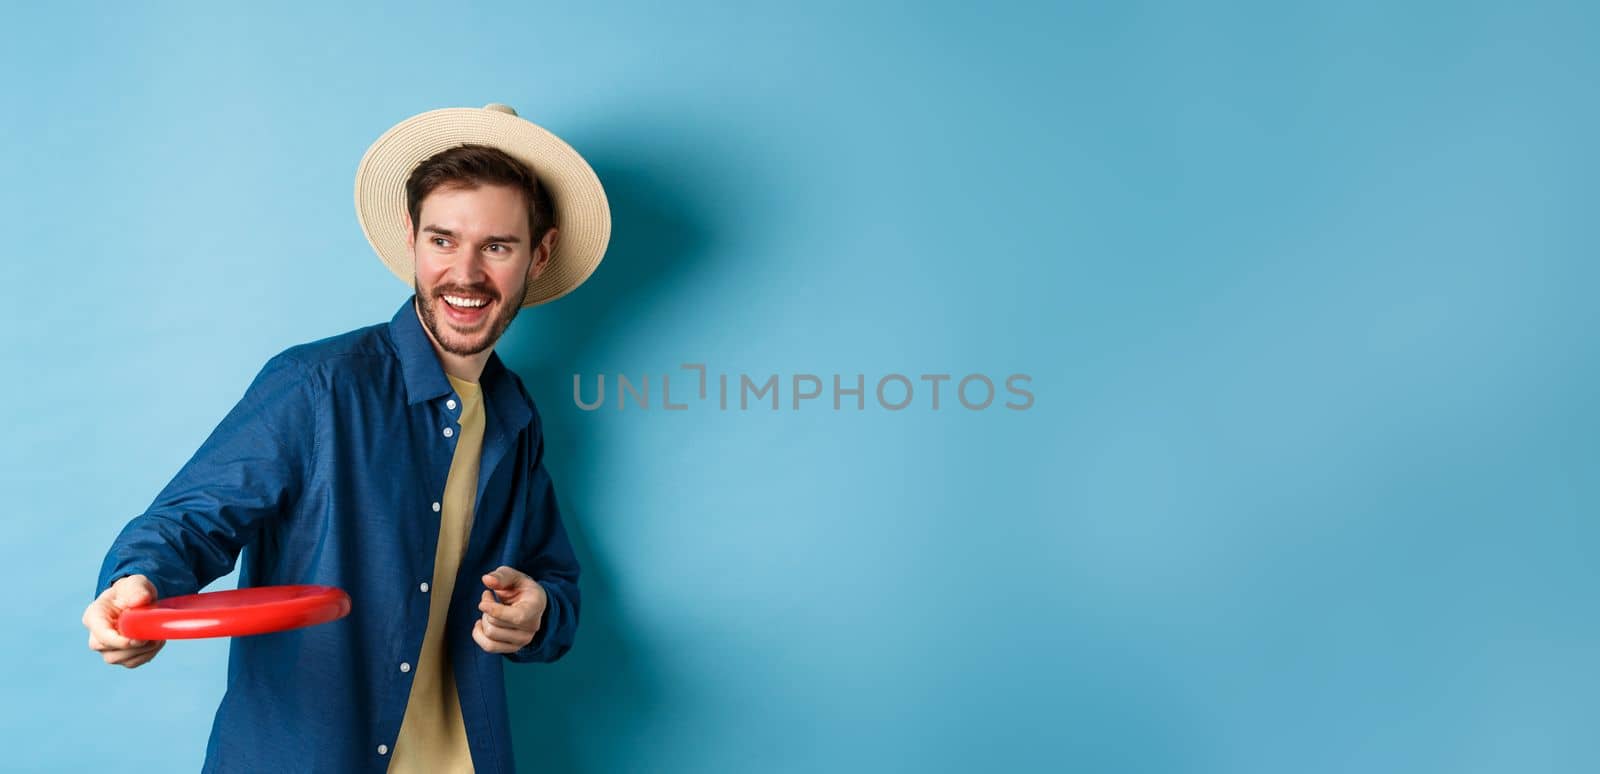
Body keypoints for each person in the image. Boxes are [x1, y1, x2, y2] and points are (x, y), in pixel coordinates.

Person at [80, 103, 612, 773]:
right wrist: (135, 583)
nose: (466, 273)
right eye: (443, 240)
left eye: (497, 246)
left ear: (538, 254)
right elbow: (192, 520)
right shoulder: (317, 384)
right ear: (412, 239)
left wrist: (537, 615)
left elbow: (554, 582)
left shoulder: (516, 415)